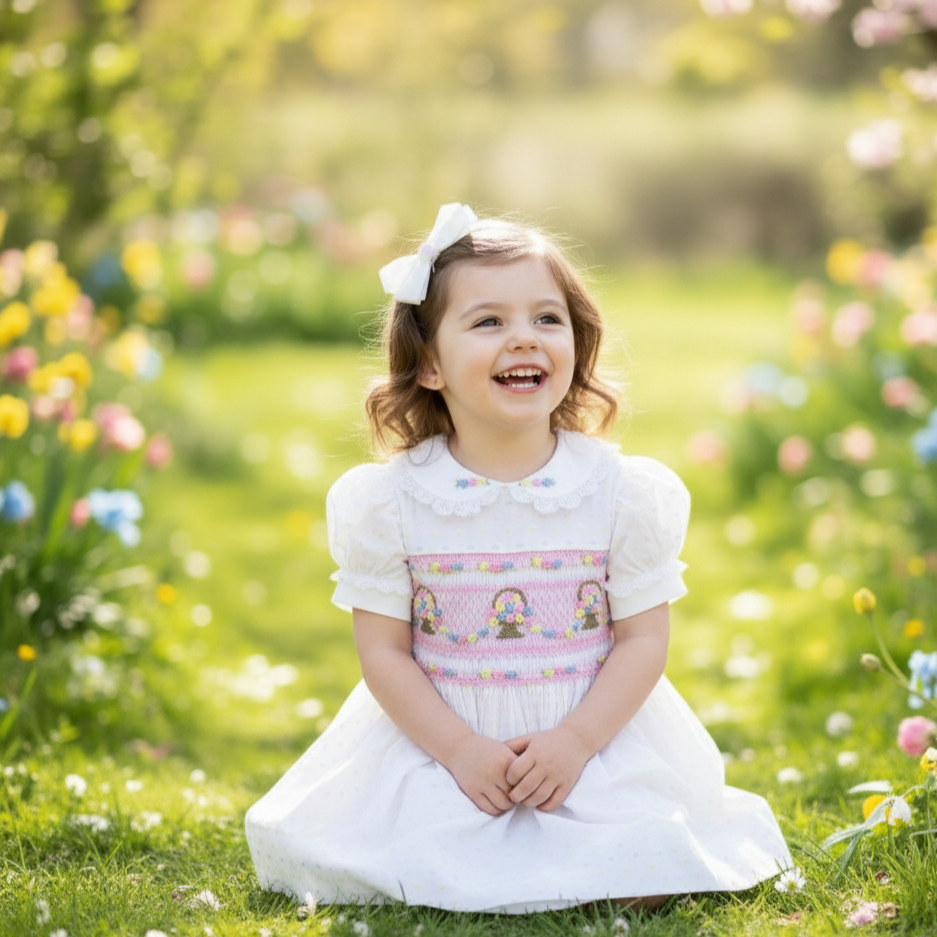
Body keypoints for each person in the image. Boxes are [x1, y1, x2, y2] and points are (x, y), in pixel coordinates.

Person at [245, 204, 793, 913]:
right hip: (442, 745)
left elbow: (642, 639)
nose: (523, 339)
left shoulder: (618, 493)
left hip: (592, 741)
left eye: (545, 318)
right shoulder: (395, 501)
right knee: (411, 854)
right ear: (430, 364)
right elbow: (383, 653)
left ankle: (595, 850)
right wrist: (460, 751)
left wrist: (574, 741)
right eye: (488, 321)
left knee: (652, 856)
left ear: (576, 340)